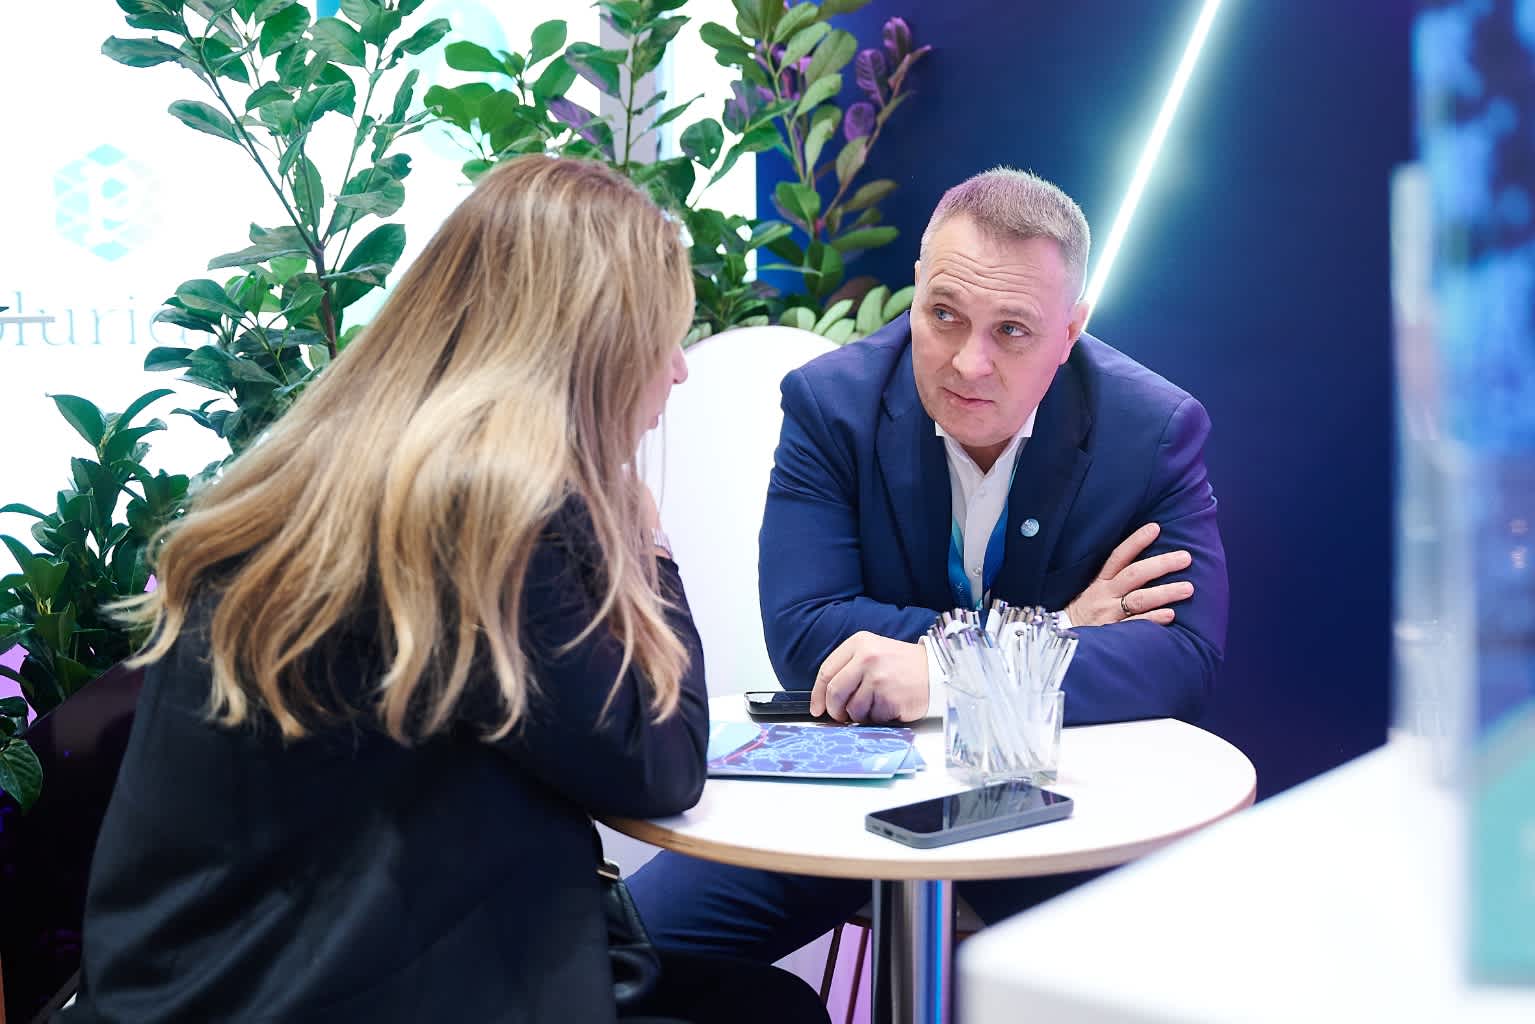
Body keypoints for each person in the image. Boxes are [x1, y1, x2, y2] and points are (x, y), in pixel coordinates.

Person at [60, 157, 829, 1024]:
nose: (679, 372)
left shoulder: (337, 470)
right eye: (664, 337)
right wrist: (648, 545)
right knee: (768, 1012)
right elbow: (661, 765)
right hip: (328, 989)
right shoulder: (487, 514)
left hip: (202, 979)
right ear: (597, 349)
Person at [629, 167, 1229, 961]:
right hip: (853, 801)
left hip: (1059, 813)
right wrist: (1057, 629)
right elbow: (806, 633)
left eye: (1011, 330)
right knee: (627, 957)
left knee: (1127, 985)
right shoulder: (831, 403)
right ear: (915, 290)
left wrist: (938, 672)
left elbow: (1181, 658)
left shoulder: (1149, 430)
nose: (967, 362)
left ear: (1069, 332)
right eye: (943, 315)